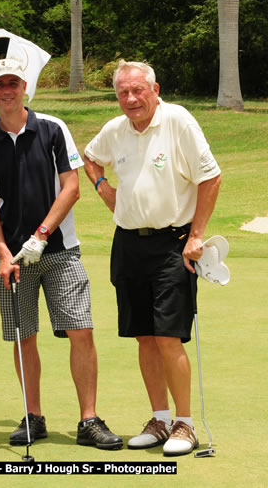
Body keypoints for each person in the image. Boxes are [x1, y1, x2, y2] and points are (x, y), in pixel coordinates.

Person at [0, 58, 122, 450]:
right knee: (24, 336)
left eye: (13, 83)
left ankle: (88, 420)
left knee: (81, 330)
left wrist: (41, 235)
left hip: (60, 250)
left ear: (25, 87)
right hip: (13, 261)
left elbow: (71, 187)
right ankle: (32, 416)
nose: (6, 90)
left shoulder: (53, 130)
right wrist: (4, 253)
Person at [83, 60, 222, 457]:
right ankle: (159, 419)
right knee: (143, 335)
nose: (130, 99)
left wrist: (196, 236)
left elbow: (211, 177)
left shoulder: (177, 121)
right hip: (128, 244)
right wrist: (103, 188)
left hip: (171, 244)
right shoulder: (116, 129)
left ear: (154, 89)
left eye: (137, 91)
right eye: (123, 93)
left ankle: (185, 423)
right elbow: (89, 157)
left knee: (167, 336)